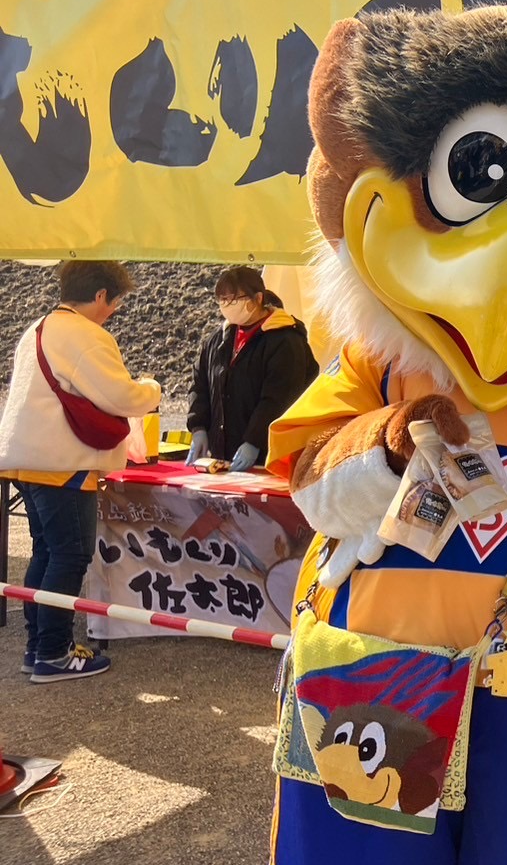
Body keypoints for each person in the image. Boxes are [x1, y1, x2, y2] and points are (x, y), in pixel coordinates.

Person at [0, 261, 161, 683]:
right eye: (116, 301)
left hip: (28, 461)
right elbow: (121, 396)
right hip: (63, 464)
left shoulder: (38, 327)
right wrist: (152, 388)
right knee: (70, 556)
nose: (114, 311)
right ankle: (54, 653)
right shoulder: (84, 334)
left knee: (46, 553)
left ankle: (38, 647)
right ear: (101, 295)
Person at [186, 267, 318, 472]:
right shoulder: (217, 340)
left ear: (258, 298)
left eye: (235, 299)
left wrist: (254, 441)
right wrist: (198, 427)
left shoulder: (285, 341)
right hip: (222, 458)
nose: (228, 306)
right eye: (223, 300)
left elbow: (279, 398)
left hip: (270, 459)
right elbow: (199, 385)